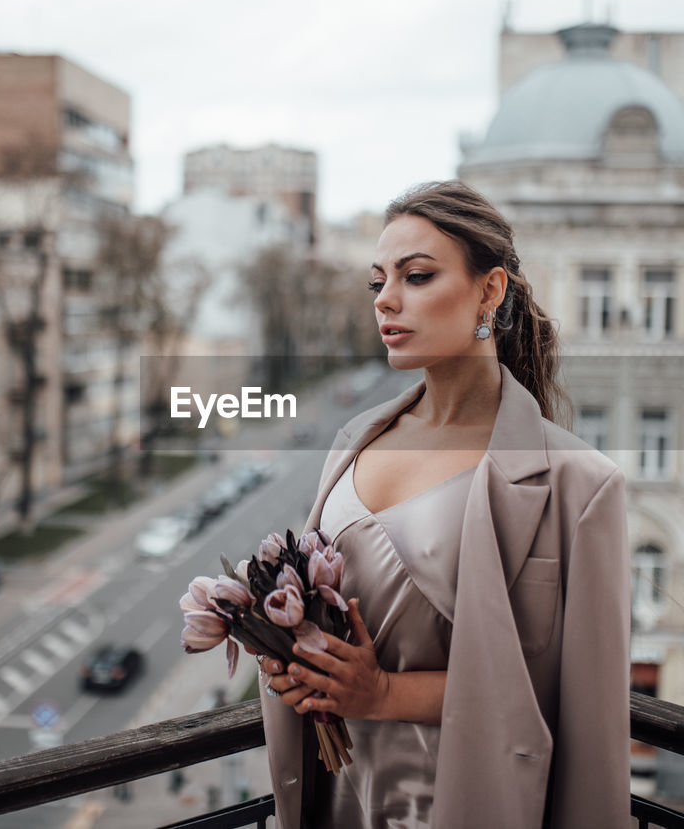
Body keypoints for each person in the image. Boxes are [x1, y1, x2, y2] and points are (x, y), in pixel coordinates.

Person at [255, 180, 631, 828]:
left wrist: (383, 693)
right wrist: (291, 658)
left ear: (490, 291)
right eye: (378, 282)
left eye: (418, 276)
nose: (387, 301)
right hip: (336, 803)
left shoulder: (581, 485)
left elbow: (581, 722)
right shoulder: (351, 442)